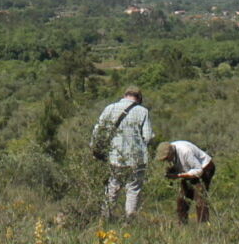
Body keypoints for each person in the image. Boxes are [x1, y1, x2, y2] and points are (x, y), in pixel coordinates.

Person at [91, 88, 155, 220]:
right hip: (137, 158)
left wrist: (95, 148)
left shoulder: (110, 108)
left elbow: (98, 130)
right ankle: (129, 220)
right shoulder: (143, 111)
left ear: (124, 95)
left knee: (113, 186)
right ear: (139, 98)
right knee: (133, 189)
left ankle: (106, 217)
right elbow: (148, 136)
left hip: (115, 156)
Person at [156, 139, 214, 224]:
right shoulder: (170, 149)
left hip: (205, 168)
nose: (166, 161)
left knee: (200, 197)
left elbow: (198, 170)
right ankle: (182, 225)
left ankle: (204, 226)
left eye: (166, 158)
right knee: (182, 198)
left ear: (171, 153)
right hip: (188, 170)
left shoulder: (185, 152)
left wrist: (178, 176)